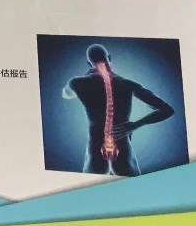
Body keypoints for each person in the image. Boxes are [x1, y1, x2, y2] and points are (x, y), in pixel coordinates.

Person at [62, 45, 174, 177]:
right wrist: (136, 125)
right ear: (109, 58)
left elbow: (66, 94)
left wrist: (84, 81)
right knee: (133, 187)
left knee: (91, 187)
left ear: (89, 63)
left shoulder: (77, 83)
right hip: (122, 149)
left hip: (95, 151)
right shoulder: (127, 84)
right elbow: (167, 110)